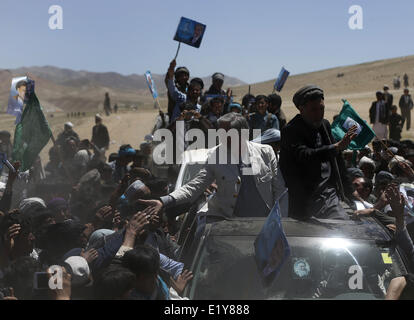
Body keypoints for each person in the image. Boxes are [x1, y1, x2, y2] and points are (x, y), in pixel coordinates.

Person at [139, 112, 286, 230]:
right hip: (230, 226)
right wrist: (163, 201)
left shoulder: (265, 152)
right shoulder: (216, 156)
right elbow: (195, 186)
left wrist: (282, 221)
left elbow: (279, 190)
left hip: (264, 225)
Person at [280, 85, 357, 220]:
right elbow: (304, 155)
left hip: (328, 195)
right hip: (304, 197)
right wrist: (335, 147)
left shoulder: (324, 125)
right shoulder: (291, 130)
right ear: (301, 109)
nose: (318, 113)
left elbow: (338, 163)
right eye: (313, 110)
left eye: (321, 108)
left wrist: (350, 193)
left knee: (342, 225)